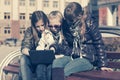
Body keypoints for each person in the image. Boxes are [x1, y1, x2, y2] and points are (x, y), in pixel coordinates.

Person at [50, 2, 113, 80]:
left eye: (71, 20)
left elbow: (99, 43)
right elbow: (65, 45)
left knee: (65, 71)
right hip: (72, 56)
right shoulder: (66, 25)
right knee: (56, 64)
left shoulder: (89, 24)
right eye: (66, 20)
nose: (68, 23)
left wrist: (103, 64)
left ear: (79, 16)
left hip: (87, 59)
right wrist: (54, 47)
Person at [20, 10, 49, 80]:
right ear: (34, 26)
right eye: (37, 26)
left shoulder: (50, 30)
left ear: (46, 22)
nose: (41, 28)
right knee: (23, 58)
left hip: (46, 61)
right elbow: (24, 48)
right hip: (33, 59)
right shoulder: (30, 31)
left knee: (41, 66)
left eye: (42, 25)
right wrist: (35, 55)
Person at [36, 11, 64, 80]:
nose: (53, 28)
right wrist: (40, 52)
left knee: (50, 70)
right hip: (47, 57)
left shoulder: (64, 34)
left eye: (56, 26)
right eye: (50, 26)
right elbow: (41, 44)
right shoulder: (46, 34)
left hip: (59, 58)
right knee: (40, 67)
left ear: (61, 24)